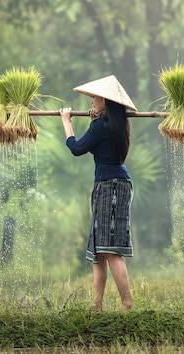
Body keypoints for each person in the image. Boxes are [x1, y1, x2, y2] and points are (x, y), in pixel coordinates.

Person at [59, 75, 137, 311]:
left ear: (106, 101)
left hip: (111, 185)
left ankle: (127, 303)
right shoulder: (116, 125)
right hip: (112, 183)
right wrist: (95, 121)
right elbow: (98, 138)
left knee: (109, 249)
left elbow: (77, 148)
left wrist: (66, 121)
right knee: (99, 249)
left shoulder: (101, 127)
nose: (91, 101)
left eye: (95, 97)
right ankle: (97, 304)